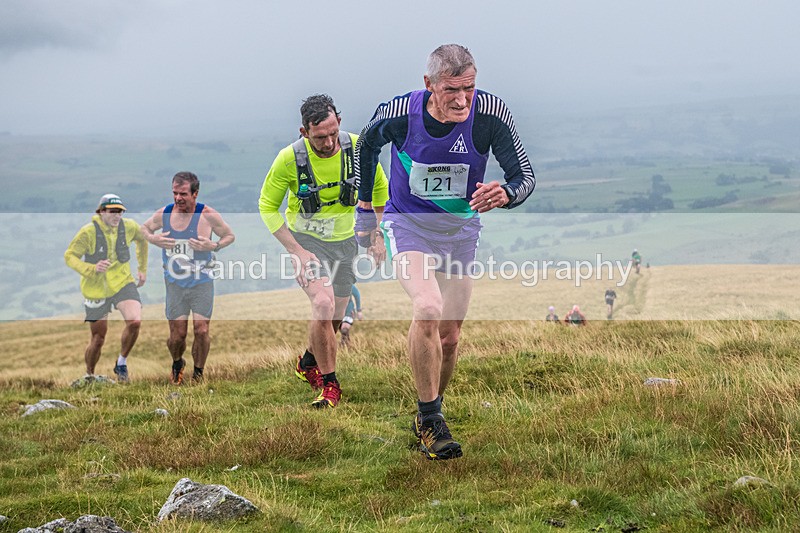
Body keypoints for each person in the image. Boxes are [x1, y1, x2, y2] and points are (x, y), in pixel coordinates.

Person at [355, 44, 536, 459]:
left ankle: (432, 411)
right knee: (428, 306)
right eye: (451, 89)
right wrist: (366, 211)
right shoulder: (399, 113)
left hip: (459, 233)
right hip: (407, 225)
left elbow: (523, 174)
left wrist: (506, 193)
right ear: (429, 85)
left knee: (451, 338)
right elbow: (365, 146)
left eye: (469, 88)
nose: (461, 99)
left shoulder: (490, 113)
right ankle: (430, 419)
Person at [258, 94, 389, 408]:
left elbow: (381, 191)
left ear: (339, 122)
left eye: (333, 133)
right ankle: (330, 386)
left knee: (333, 319)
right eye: (319, 137)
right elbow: (267, 207)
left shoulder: (359, 149)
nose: (329, 142)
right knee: (322, 303)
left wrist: (376, 234)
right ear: (304, 132)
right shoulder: (288, 159)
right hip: (307, 244)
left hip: (344, 244)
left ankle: (306, 363)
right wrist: (296, 251)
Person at [141, 172, 235, 384]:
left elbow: (229, 235)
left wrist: (214, 246)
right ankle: (177, 362)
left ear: (195, 193)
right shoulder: (165, 213)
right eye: (174, 193)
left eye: (183, 193)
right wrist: (154, 239)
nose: (177, 198)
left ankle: (198, 375)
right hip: (174, 284)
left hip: (202, 282)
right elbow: (144, 228)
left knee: (201, 330)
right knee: (177, 336)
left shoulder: (207, 214)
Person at [64, 193, 148, 383]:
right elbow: (70, 256)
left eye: (120, 212)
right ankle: (90, 375)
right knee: (98, 338)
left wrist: (142, 269)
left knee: (134, 321)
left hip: (122, 282)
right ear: (101, 212)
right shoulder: (88, 232)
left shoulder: (129, 227)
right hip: (96, 288)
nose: (117, 216)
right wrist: (91, 268)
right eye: (112, 212)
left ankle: (121, 363)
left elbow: (143, 240)